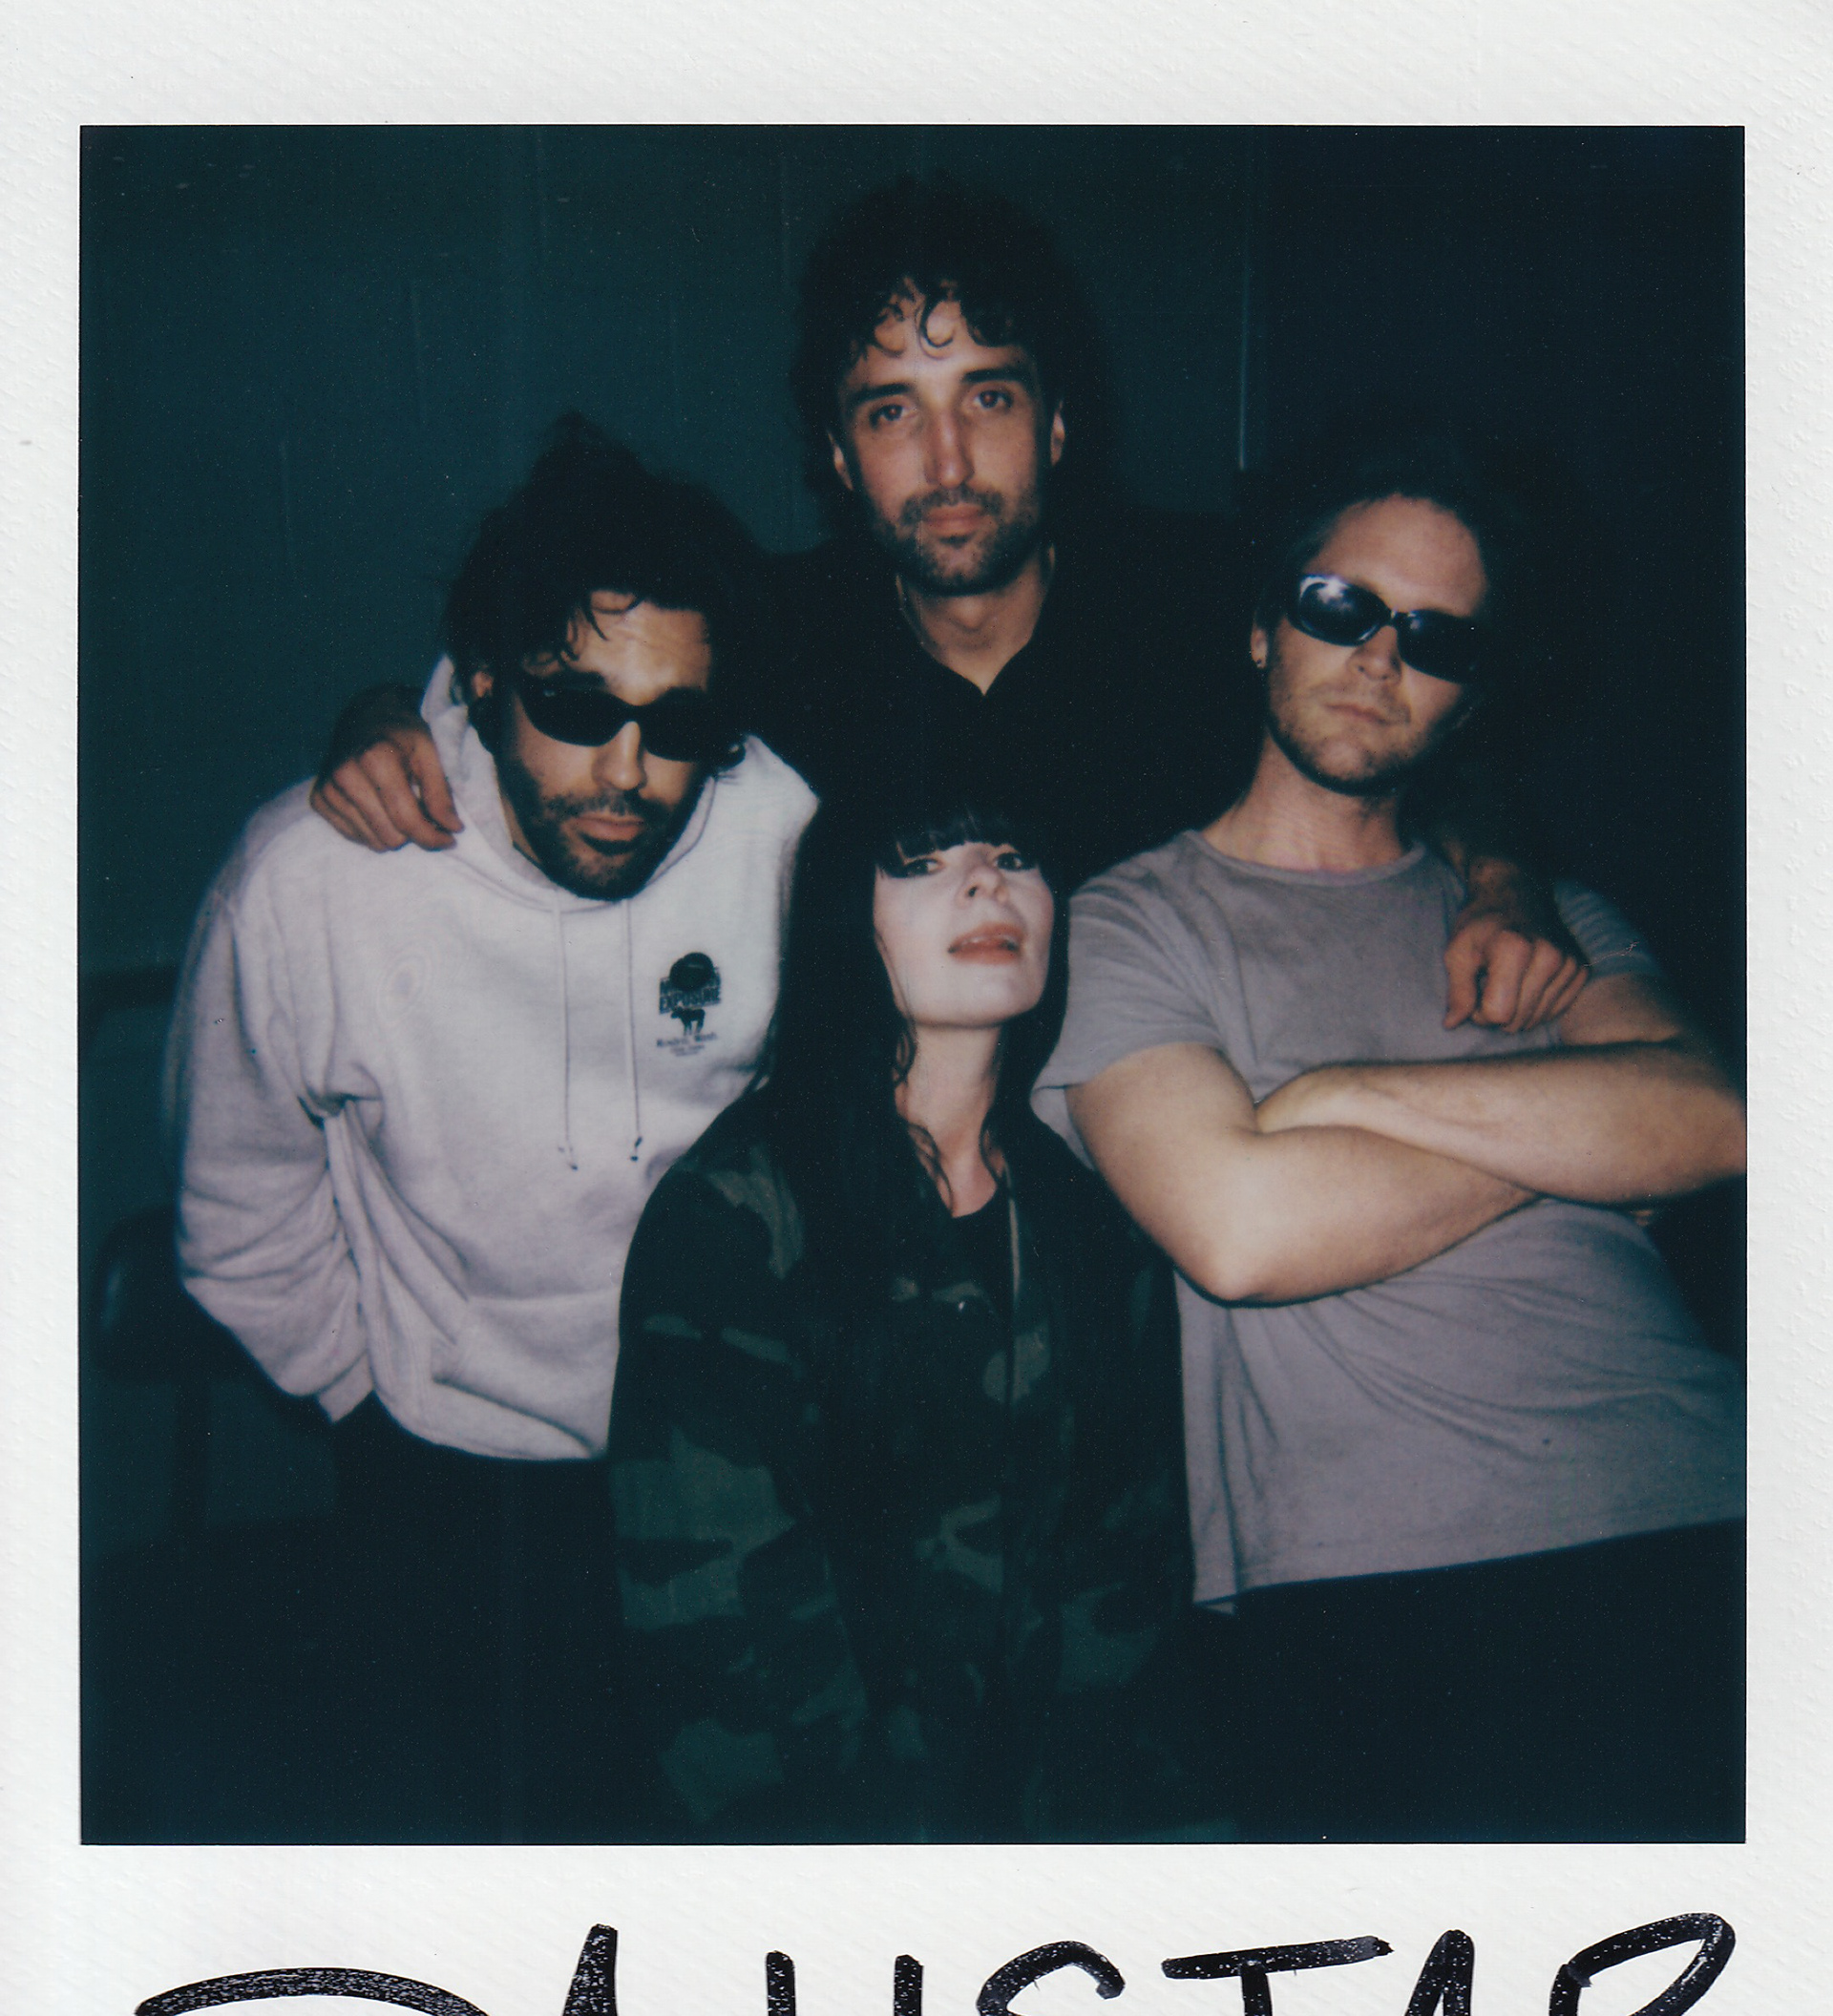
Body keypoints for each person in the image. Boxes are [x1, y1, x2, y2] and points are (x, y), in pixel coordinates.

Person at [311, 175, 1584, 1035]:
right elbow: (564, 677)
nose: (949, 462)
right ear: (836, 455)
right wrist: (380, 715)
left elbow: (1412, 725)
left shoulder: (1202, 599)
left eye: (989, 396)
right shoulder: (775, 630)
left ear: (1058, 421)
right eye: (891, 413)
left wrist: (1506, 881)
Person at [1034, 433, 1747, 1842]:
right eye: (1340, 607)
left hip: (1705, 1502)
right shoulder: (1130, 921)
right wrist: (1570, 1121)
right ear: (1262, 627)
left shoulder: (1552, 918)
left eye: (1435, 637)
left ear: (1471, 694)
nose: (1378, 659)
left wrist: (1341, 1097)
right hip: (1372, 1576)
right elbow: (1241, 1231)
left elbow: (1717, 1123)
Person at [163, 417, 817, 1839]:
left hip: (733, 1467)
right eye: (576, 709)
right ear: (477, 679)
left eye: (677, 724)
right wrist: (365, 1405)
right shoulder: (310, 884)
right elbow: (237, 1214)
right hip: (447, 1487)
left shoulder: (781, 831)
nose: (628, 771)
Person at [606, 784, 1212, 1842]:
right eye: (923, 864)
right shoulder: (739, 1212)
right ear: (847, 921)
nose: (986, 882)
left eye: (1014, 856)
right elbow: (720, 1632)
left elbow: (1126, 1580)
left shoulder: (1088, 1211)